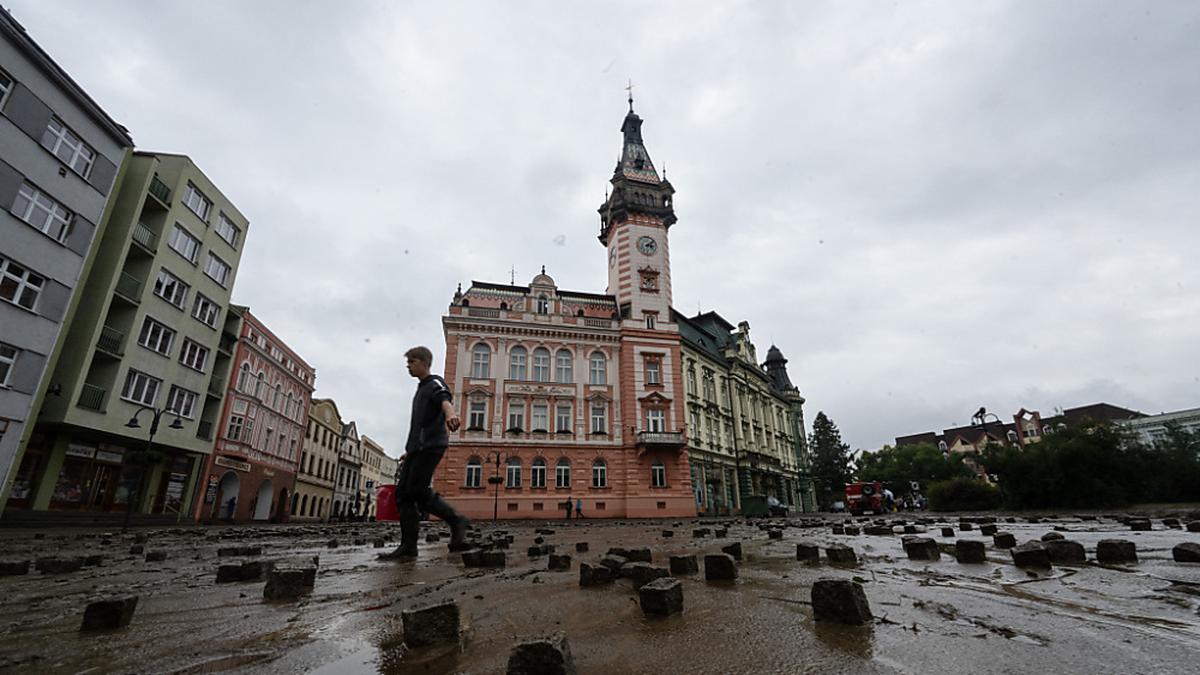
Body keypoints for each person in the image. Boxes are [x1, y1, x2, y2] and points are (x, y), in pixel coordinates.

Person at [382, 346, 470, 559]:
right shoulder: (421, 388)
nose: (408, 366)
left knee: (418, 491)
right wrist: (409, 451)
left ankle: (456, 520)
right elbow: (419, 423)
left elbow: (445, 400)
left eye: (412, 362)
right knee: (403, 494)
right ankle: (408, 546)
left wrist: (451, 415)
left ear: (423, 362)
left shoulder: (434, 383)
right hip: (417, 449)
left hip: (432, 445)